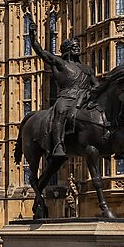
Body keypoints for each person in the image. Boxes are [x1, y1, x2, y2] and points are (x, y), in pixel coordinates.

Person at [28, 14, 98, 158]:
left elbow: (96, 85)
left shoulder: (87, 69)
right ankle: (58, 145)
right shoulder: (61, 63)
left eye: (78, 46)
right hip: (67, 97)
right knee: (59, 112)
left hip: (84, 98)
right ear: (67, 50)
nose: (77, 48)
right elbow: (41, 52)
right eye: (74, 47)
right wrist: (32, 36)